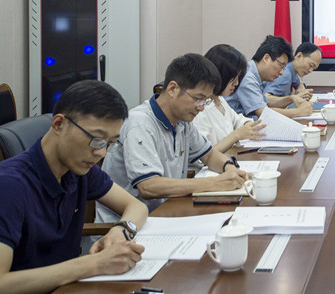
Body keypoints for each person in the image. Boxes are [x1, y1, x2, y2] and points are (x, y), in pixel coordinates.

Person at [0, 80, 148, 292]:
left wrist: (122, 230)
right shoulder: (6, 186)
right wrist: (94, 264)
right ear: (59, 124)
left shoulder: (78, 169)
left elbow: (136, 206)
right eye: (96, 139)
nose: (101, 153)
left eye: (109, 143)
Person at [98, 54, 250, 221]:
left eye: (205, 101)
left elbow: (209, 155)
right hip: (128, 226)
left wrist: (230, 168)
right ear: (172, 89)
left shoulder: (182, 122)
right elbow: (149, 186)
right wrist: (215, 183)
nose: (201, 108)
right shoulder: (140, 123)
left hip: (166, 213)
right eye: (198, 99)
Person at [193, 44, 266, 153]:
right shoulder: (199, 109)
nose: (236, 83)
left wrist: (247, 124)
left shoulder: (219, 99)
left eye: (238, 78)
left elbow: (237, 120)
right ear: (219, 74)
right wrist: (236, 135)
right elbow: (204, 155)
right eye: (233, 78)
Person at [226, 35, 313, 118]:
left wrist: (291, 98)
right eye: (281, 66)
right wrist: (299, 112)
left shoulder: (255, 75)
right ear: (266, 58)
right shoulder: (247, 77)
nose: (282, 73)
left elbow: (266, 104)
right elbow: (263, 113)